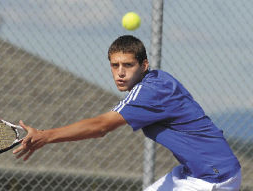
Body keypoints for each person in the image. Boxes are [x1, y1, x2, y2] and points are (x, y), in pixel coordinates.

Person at [13, 35, 241, 190]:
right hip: (193, 171)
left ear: (144, 65)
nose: (120, 73)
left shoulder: (151, 92)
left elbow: (101, 126)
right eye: (115, 65)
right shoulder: (157, 81)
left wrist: (45, 136)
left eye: (128, 65)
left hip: (213, 178)